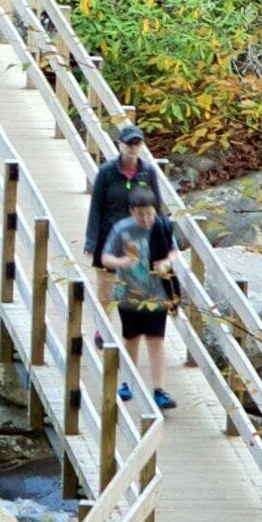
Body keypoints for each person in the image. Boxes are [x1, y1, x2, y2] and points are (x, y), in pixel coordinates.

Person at [103, 190, 180, 410]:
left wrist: (166, 262)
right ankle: (128, 383)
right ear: (132, 212)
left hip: (157, 293)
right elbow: (105, 257)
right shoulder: (122, 229)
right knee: (131, 338)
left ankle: (159, 390)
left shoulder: (162, 226)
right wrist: (121, 262)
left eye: (149, 214)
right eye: (140, 214)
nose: (145, 219)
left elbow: (173, 251)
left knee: (156, 340)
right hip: (129, 293)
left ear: (155, 211)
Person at [84, 125, 155, 271]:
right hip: (108, 235)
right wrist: (91, 241)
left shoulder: (148, 172)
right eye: (129, 144)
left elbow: (156, 208)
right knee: (106, 282)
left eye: (137, 144)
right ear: (120, 145)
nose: (133, 148)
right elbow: (96, 207)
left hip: (135, 237)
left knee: (134, 277)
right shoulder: (106, 172)